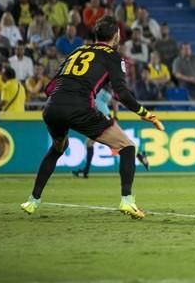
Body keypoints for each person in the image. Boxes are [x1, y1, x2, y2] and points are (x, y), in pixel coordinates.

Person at [20, 16, 164, 219]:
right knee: (127, 147)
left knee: (57, 148)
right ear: (116, 36)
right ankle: (127, 201)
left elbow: (50, 87)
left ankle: (32, 201)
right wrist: (145, 114)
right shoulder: (113, 56)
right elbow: (121, 93)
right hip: (80, 108)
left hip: (52, 107)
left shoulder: (77, 51)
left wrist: (61, 102)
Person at [72, 85, 150, 178]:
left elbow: (114, 101)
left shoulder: (100, 92)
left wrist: (116, 116)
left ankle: (86, 171)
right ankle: (139, 155)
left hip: (104, 119)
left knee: (119, 142)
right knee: (94, 143)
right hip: (100, 119)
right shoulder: (92, 93)